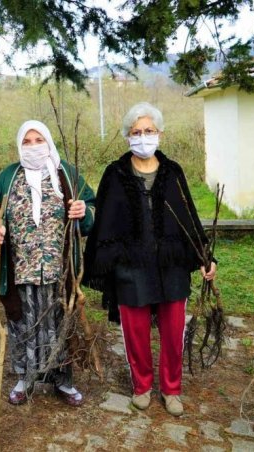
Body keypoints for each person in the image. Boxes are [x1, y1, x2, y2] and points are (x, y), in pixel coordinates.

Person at [83, 102, 217, 417]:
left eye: (149, 131)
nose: (143, 137)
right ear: (127, 136)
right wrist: (110, 260)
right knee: (135, 332)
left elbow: (188, 216)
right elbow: (104, 221)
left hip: (171, 264)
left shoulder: (173, 172)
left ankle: (171, 389)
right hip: (131, 265)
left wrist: (204, 256)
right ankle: (141, 386)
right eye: (136, 132)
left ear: (160, 134)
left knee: (173, 332)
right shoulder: (115, 173)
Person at [0, 120, 95, 407]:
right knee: (22, 323)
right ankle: (25, 378)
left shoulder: (67, 174)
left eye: (38, 140)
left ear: (49, 142)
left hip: (59, 270)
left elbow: (91, 209)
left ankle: (63, 379)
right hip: (21, 269)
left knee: (60, 322)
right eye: (26, 142)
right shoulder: (8, 176)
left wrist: (84, 212)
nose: (33, 146)